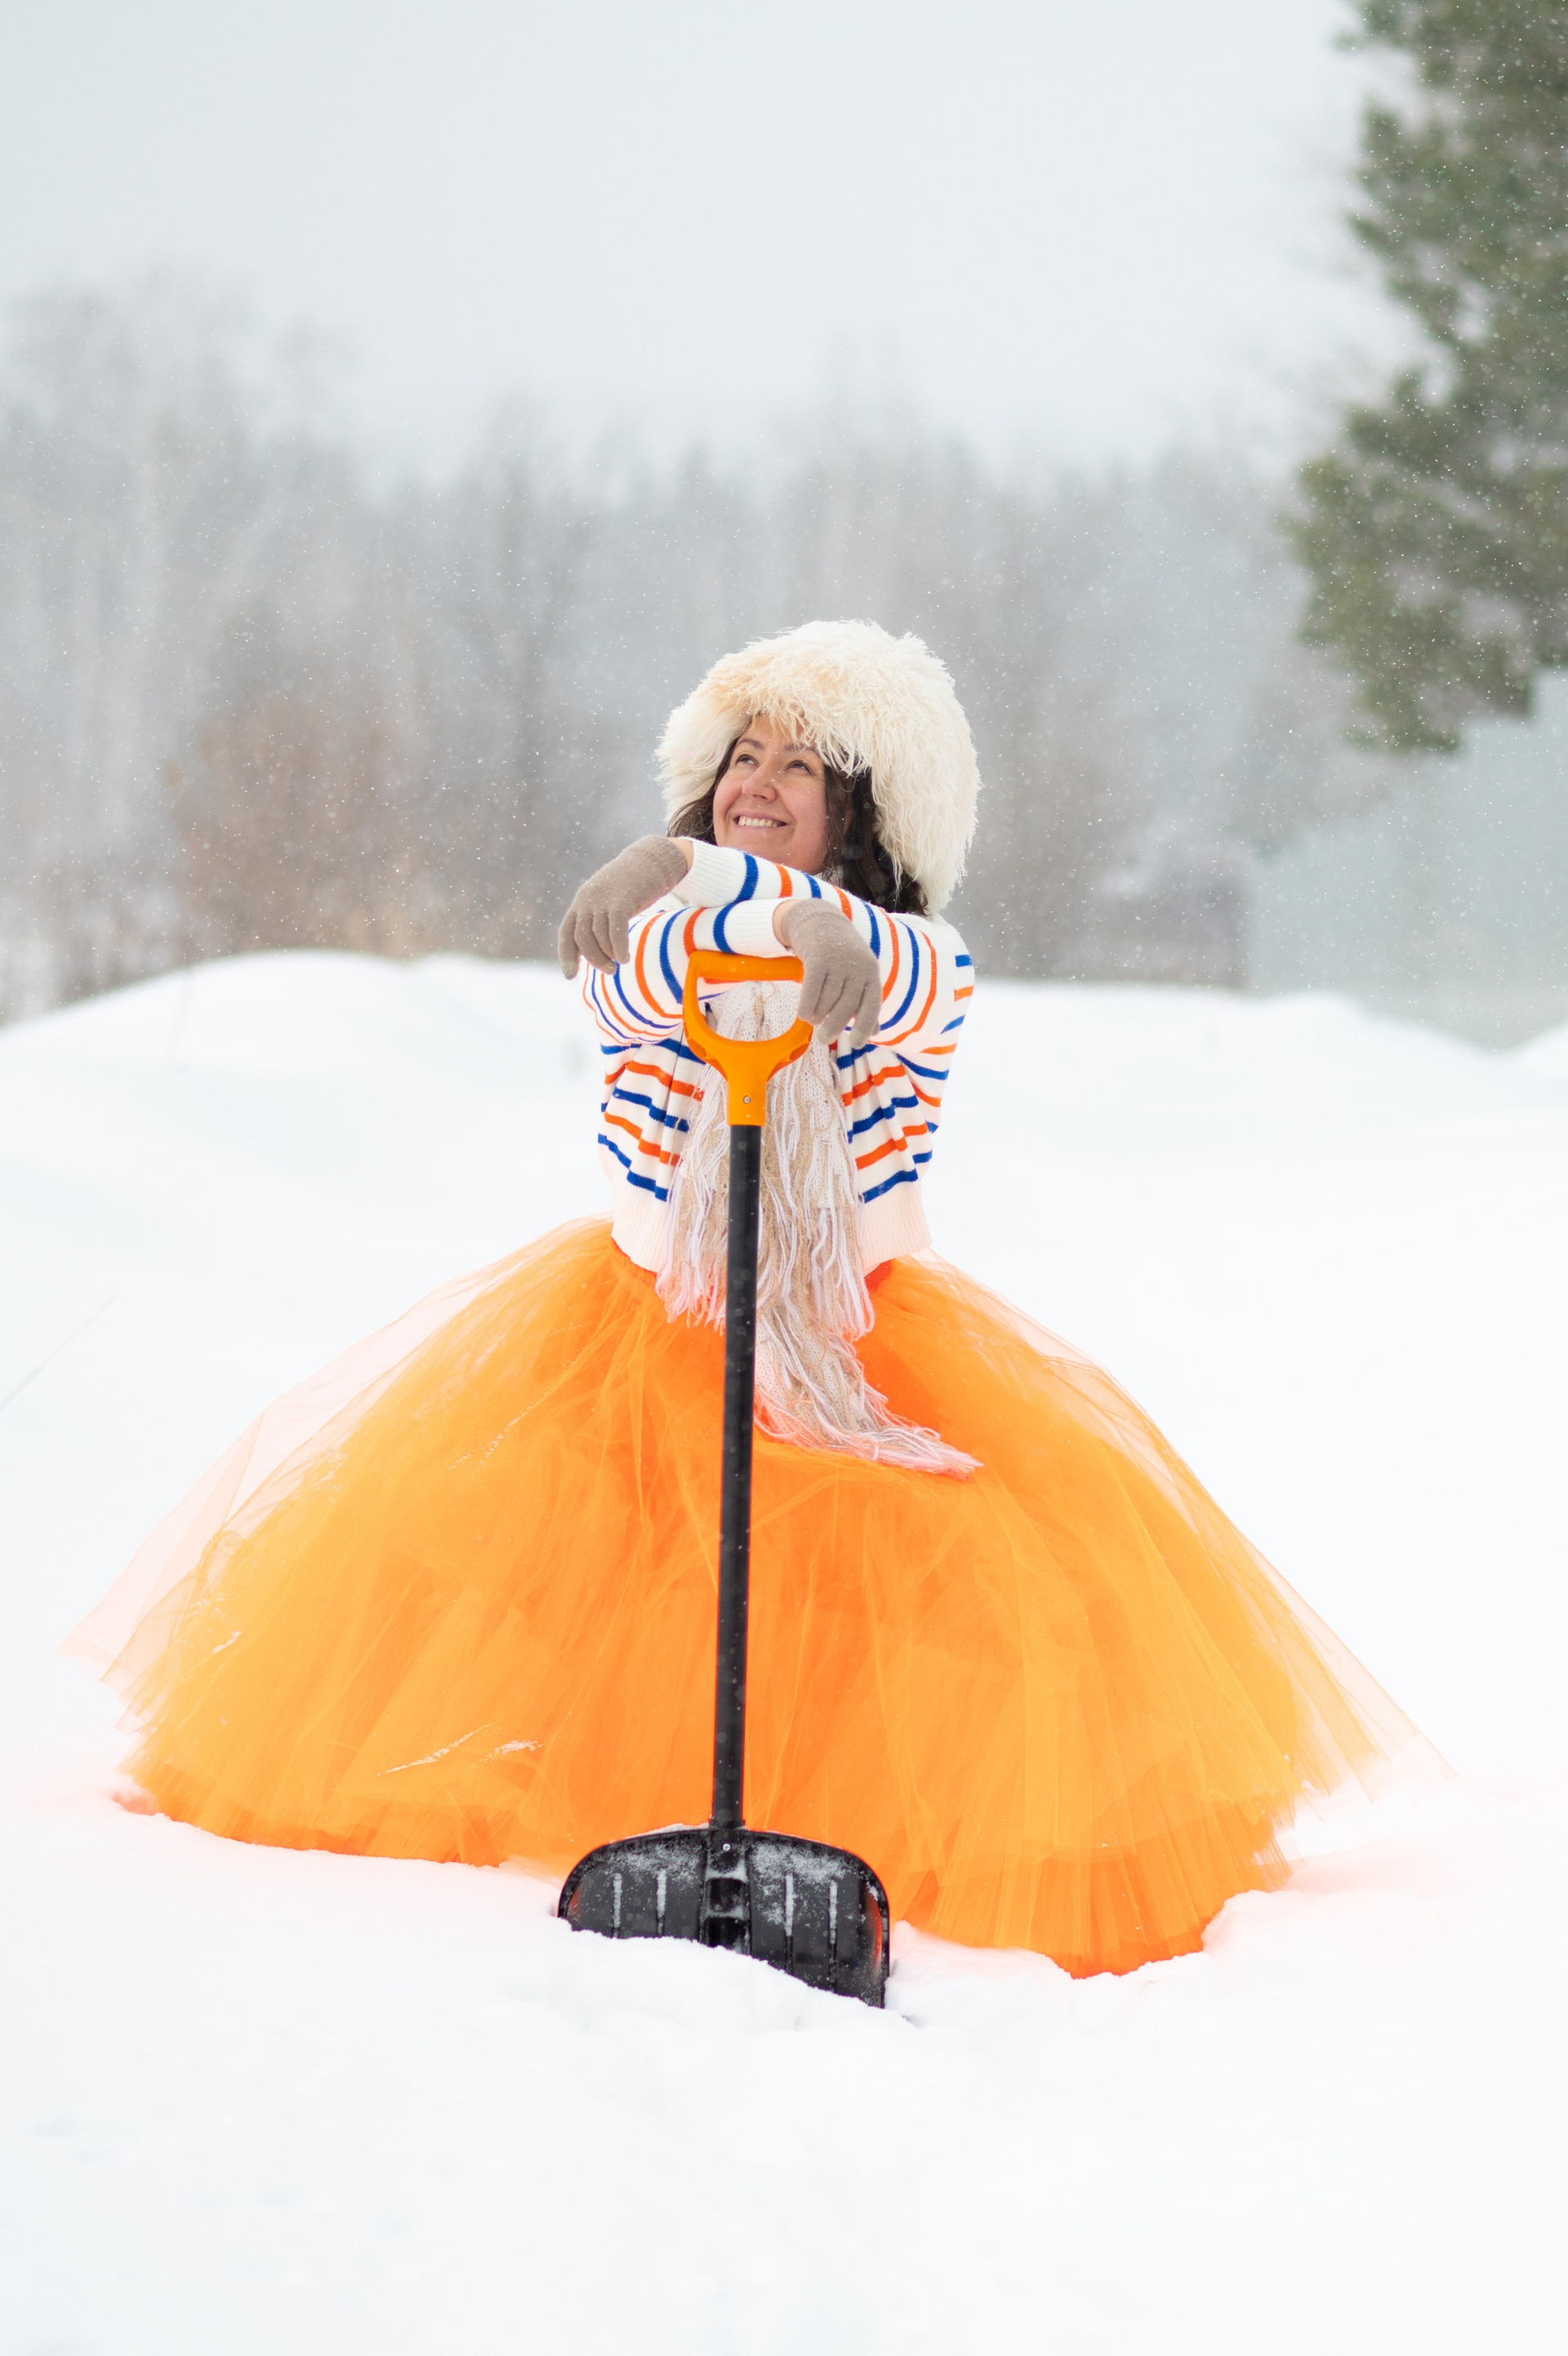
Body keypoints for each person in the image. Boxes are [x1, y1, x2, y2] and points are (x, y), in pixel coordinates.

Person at [67, 619, 1423, 1978]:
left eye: (800, 767)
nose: (756, 783)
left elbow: (898, 978)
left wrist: (807, 922)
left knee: (890, 1600)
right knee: (602, 1579)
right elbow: (637, 978)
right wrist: (692, 876)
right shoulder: (651, 928)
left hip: (851, 1341)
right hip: (641, 1319)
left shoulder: (921, 962)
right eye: (741, 758)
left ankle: (852, 1824)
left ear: (865, 813)